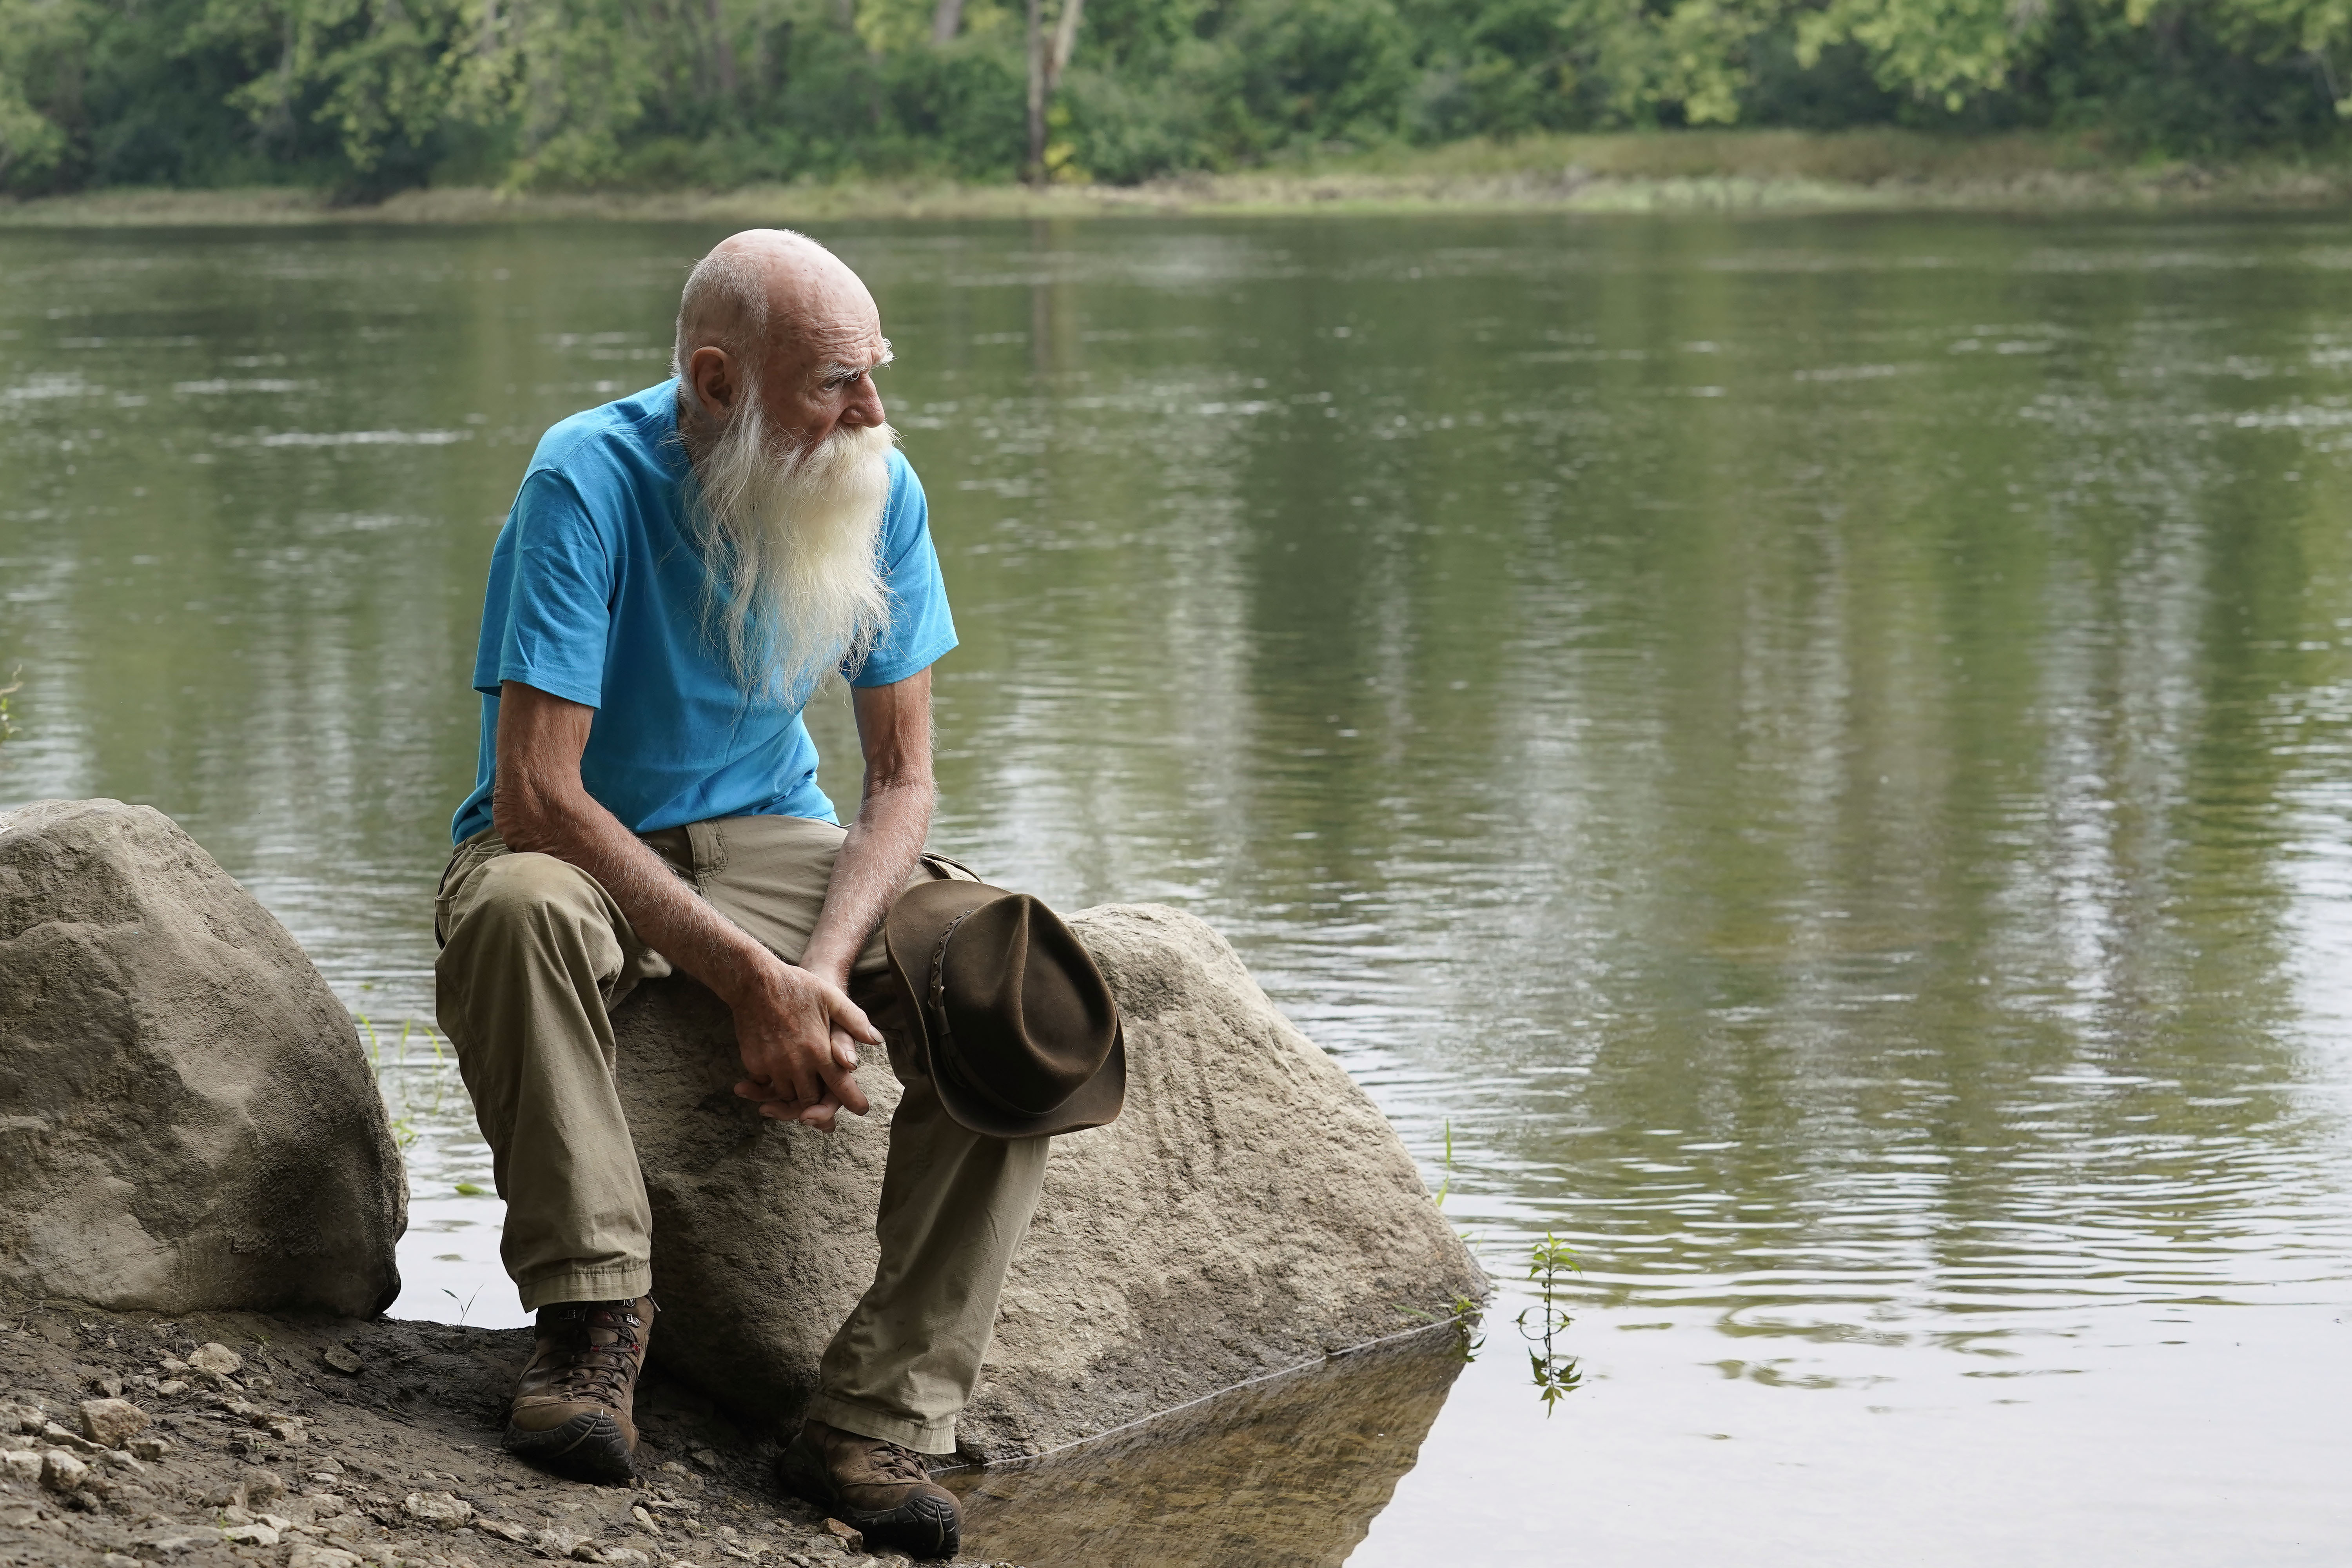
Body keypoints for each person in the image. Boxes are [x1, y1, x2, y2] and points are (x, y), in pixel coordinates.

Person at [432, 229, 1047, 1560]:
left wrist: (811, 977)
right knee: (512, 911)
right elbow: (539, 794)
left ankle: (876, 1418)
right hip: (583, 847)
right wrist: (744, 981)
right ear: (718, 383)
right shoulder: (583, 479)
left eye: (874, 373)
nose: (872, 410)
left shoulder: (878, 482)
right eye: (835, 382)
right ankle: (599, 1322)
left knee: (1008, 976)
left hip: (779, 845)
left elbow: (900, 784)